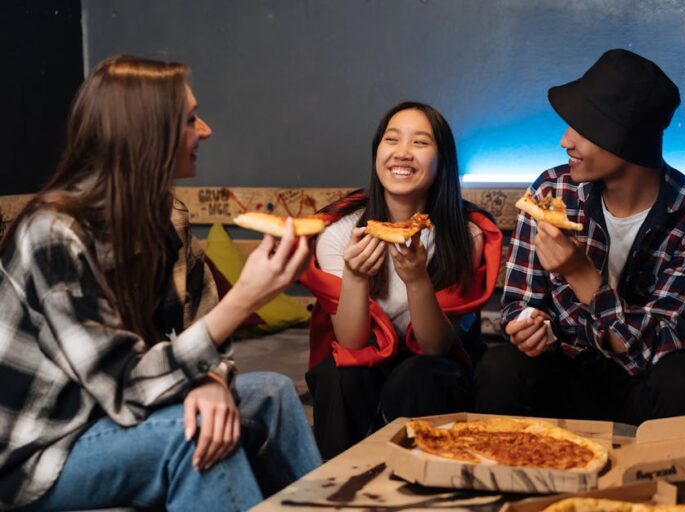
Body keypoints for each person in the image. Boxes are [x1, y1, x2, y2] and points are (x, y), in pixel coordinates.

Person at [0, 55, 321, 511]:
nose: (205, 131)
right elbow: (124, 383)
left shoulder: (164, 218)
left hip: (116, 415)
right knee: (191, 437)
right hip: (42, 452)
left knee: (271, 392)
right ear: (148, 134)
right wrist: (247, 297)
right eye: (191, 120)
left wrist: (210, 379)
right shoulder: (53, 236)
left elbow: (194, 335)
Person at [474, 49, 685, 425]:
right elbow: (519, 303)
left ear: (628, 140)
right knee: (499, 365)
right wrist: (531, 326)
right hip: (565, 377)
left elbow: (658, 350)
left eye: (583, 127)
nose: (565, 141)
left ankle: (659, 482)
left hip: (643, 388)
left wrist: (580, 273)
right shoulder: (553, 191)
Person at [301, 102, 503, 459]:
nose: (403, 153)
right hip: (363, 359)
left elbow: (436, 347)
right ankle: (337, 491)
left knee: (418, 374)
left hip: (431, 365)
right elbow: (351, 341)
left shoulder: (466, 236)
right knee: (339, 377)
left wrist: (417, 280)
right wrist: (355, 276)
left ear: (443, 160)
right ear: (377, 151)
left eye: (421, 143)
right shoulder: (340, 232)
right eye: (392, 139)